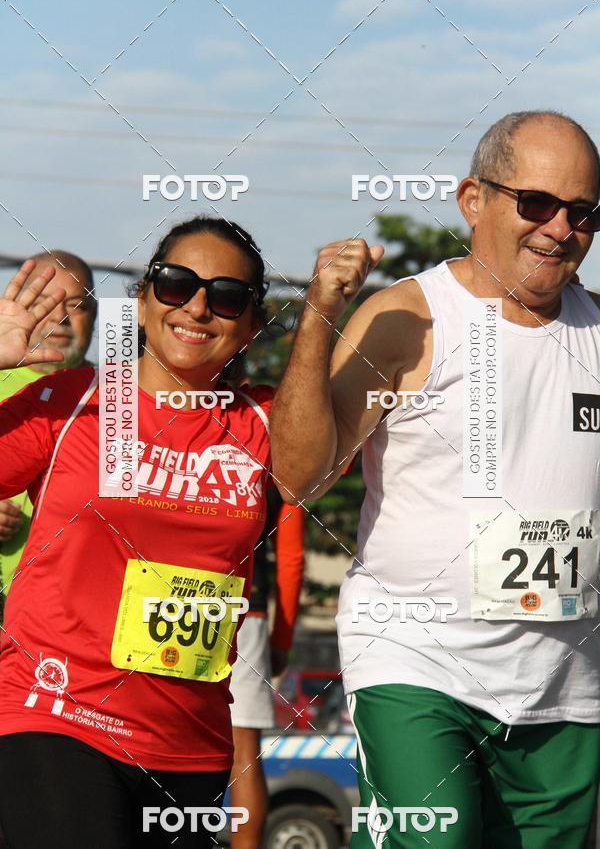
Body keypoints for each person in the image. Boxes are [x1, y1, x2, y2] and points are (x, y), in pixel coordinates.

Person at [270, 110, 600, 847]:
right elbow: (297, 479)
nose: (559, 229)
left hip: (565, 687)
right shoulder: (407, 319)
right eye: (537, 203)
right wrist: (320, 315)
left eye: (583, 213)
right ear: (473, 200)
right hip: (417, 666)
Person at [0, 216, 277, 848]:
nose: (199, 307)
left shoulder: (266, 421)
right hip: (55, 715)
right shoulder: (74, 401)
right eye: (177, 284)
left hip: (190, 746)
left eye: (227, 296)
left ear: (251, 325)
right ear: (145, 301)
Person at [0, 250, 97, 624]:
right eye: (45, 302)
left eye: (77, 305)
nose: (61, 318)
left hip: (69, 617)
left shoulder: (119, 399)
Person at [229, 486, 304, 849]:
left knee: (166, 738)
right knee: (244, 752)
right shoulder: (282, 446)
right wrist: (281, 640)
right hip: (247, 607)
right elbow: (291, 558)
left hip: (170, 599)